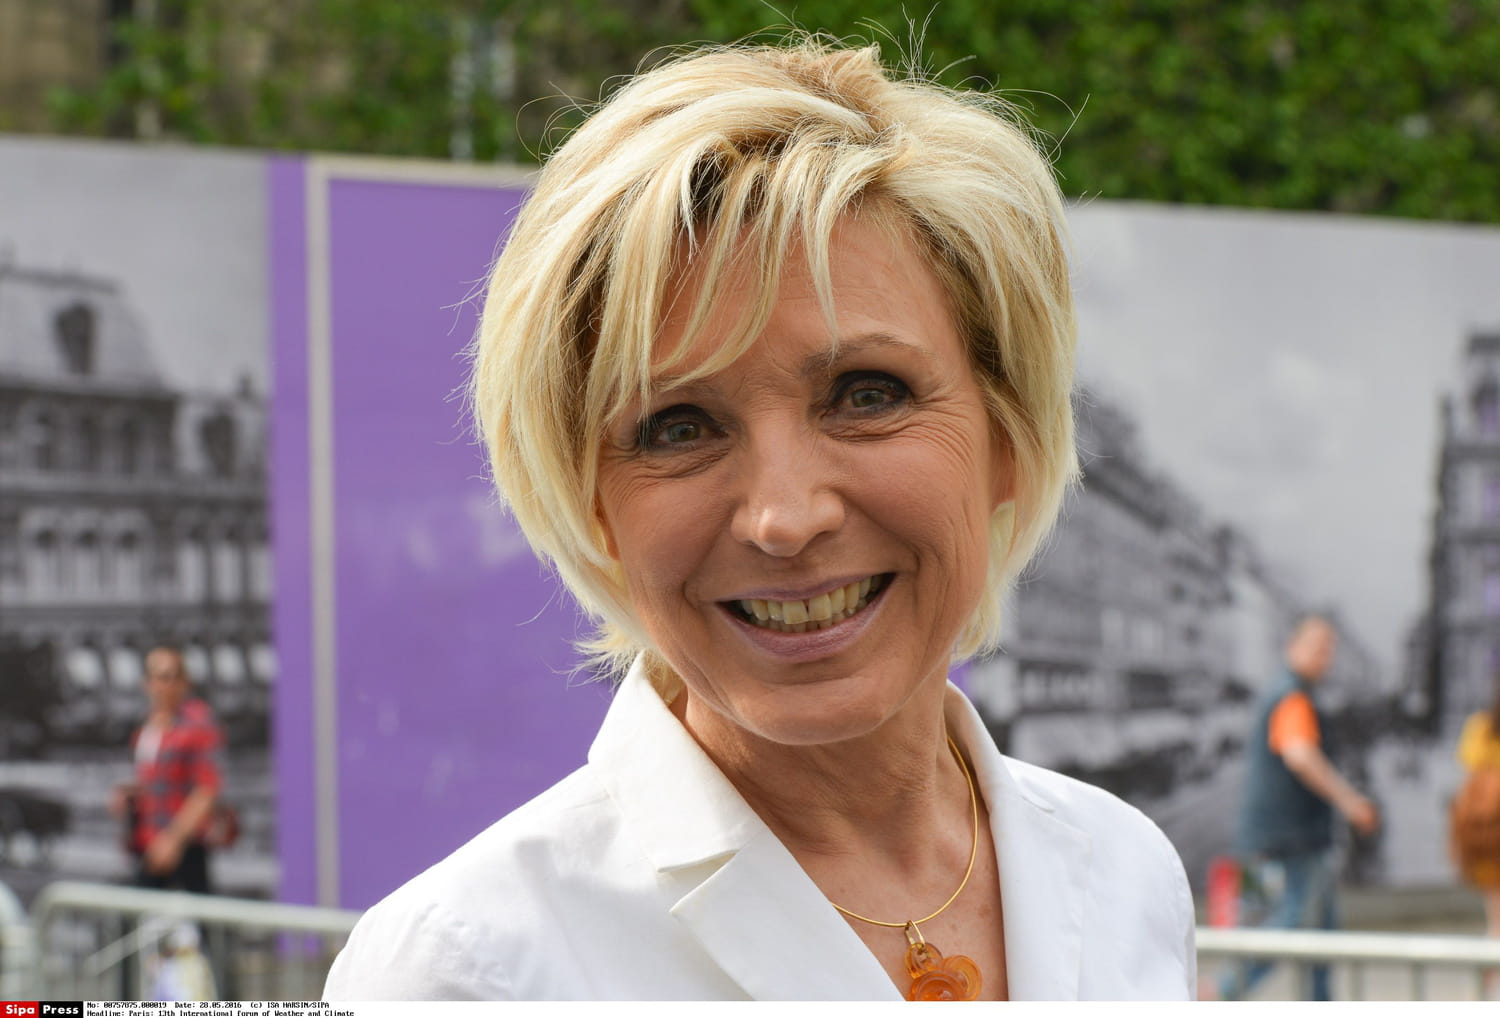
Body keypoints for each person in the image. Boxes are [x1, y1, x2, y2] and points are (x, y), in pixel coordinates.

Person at [324, 37, 1195, 1001]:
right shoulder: (465, 968)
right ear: (591, 504)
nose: (784, 517)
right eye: (678, 427)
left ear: (1008, 436)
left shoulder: (1126, 875)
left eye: (866, 394)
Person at [1220, 616, 1380, 1001]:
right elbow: (1301, 755)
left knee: (1318, 932)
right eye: (1316, 647)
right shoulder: (1292, 696)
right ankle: (1219, 994)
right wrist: (1350, 801)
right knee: (1290, 923)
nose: (1325, 657)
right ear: (1291, 646)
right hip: (1292, 839)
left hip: (1278, 836)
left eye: (1329, 649)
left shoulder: (1285, 692)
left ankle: (1317, 1002)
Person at [111, 646, 225, 894]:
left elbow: (206, 789)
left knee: (197, 909)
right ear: (147, 683)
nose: (165, 686)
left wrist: (174, 839)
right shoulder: (145, 728)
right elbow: (151, 779)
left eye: (172, 677)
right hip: (147, 841)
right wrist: (128, 796)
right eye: (159, 677)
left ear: (184, 683)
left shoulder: (197, 724)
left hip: (184, 843)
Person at [1452, 683, 1500, 943]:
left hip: (1489, 826)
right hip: (1491, 824)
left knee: (1496, 917)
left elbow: (1469, 768)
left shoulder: (1480, 726)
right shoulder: (1482, 726)